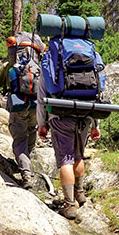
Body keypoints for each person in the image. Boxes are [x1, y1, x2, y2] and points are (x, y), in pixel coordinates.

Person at [0, 34, 44, 190]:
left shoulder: (9, 66)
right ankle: (26, 164)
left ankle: (26, 175)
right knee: (31, 133)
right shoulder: (40, 66)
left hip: (18, 107)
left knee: (20, 140)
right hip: (36, 107)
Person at [36, 83, 101, 220]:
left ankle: (70, 205)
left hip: (60, 115)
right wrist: (96, 124)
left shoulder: (50, 61)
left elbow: (42, 94)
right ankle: (80, 193)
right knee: (78, 156)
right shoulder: (89, 60)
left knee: (66, 160)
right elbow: (98, 91)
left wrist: (42, 123)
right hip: (85, 114)